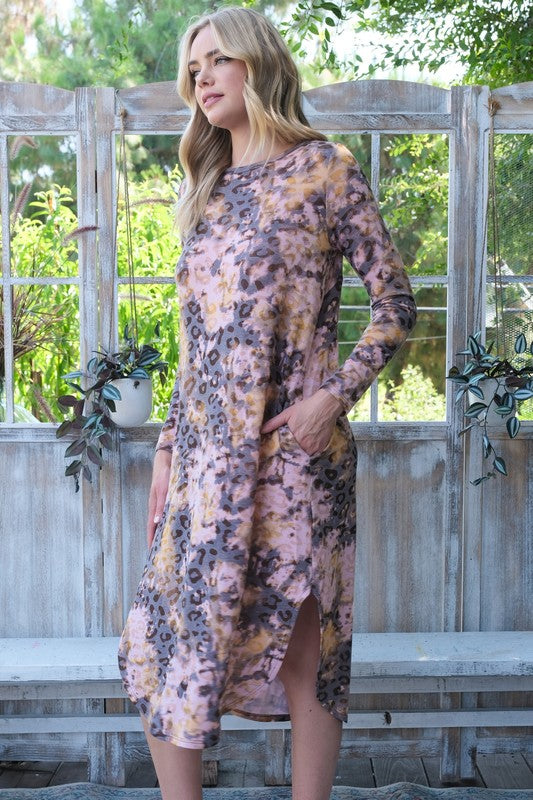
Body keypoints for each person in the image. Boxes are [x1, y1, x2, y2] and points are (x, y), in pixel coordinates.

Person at [117, 7, 417, 800]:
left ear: (258, 63)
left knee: (301, 653)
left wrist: (331, 399)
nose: (201, 79)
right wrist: (168, 452)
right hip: (205, 458)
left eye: (217, 61)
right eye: (192, 70)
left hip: (294, 452)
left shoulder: (325, 169)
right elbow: (195, 348)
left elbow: (395, 305)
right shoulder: (206, 188)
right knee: (166, 640)